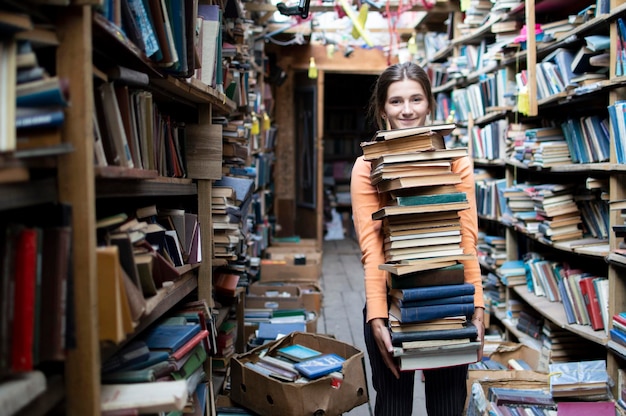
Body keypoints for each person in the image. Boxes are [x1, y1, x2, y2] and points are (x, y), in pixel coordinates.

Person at [350, 61, 485, 416]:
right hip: (391, 300)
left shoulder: (456, 163)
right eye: (396, 102)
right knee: (393, 406)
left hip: (450, 300)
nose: (407, 110)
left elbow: (467, 242)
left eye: (416, 99)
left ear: (430, 104)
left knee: (447, 405)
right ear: (382, 109)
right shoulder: (367, 167)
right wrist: (378, 316)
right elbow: (371, 246)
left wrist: (479, 310)